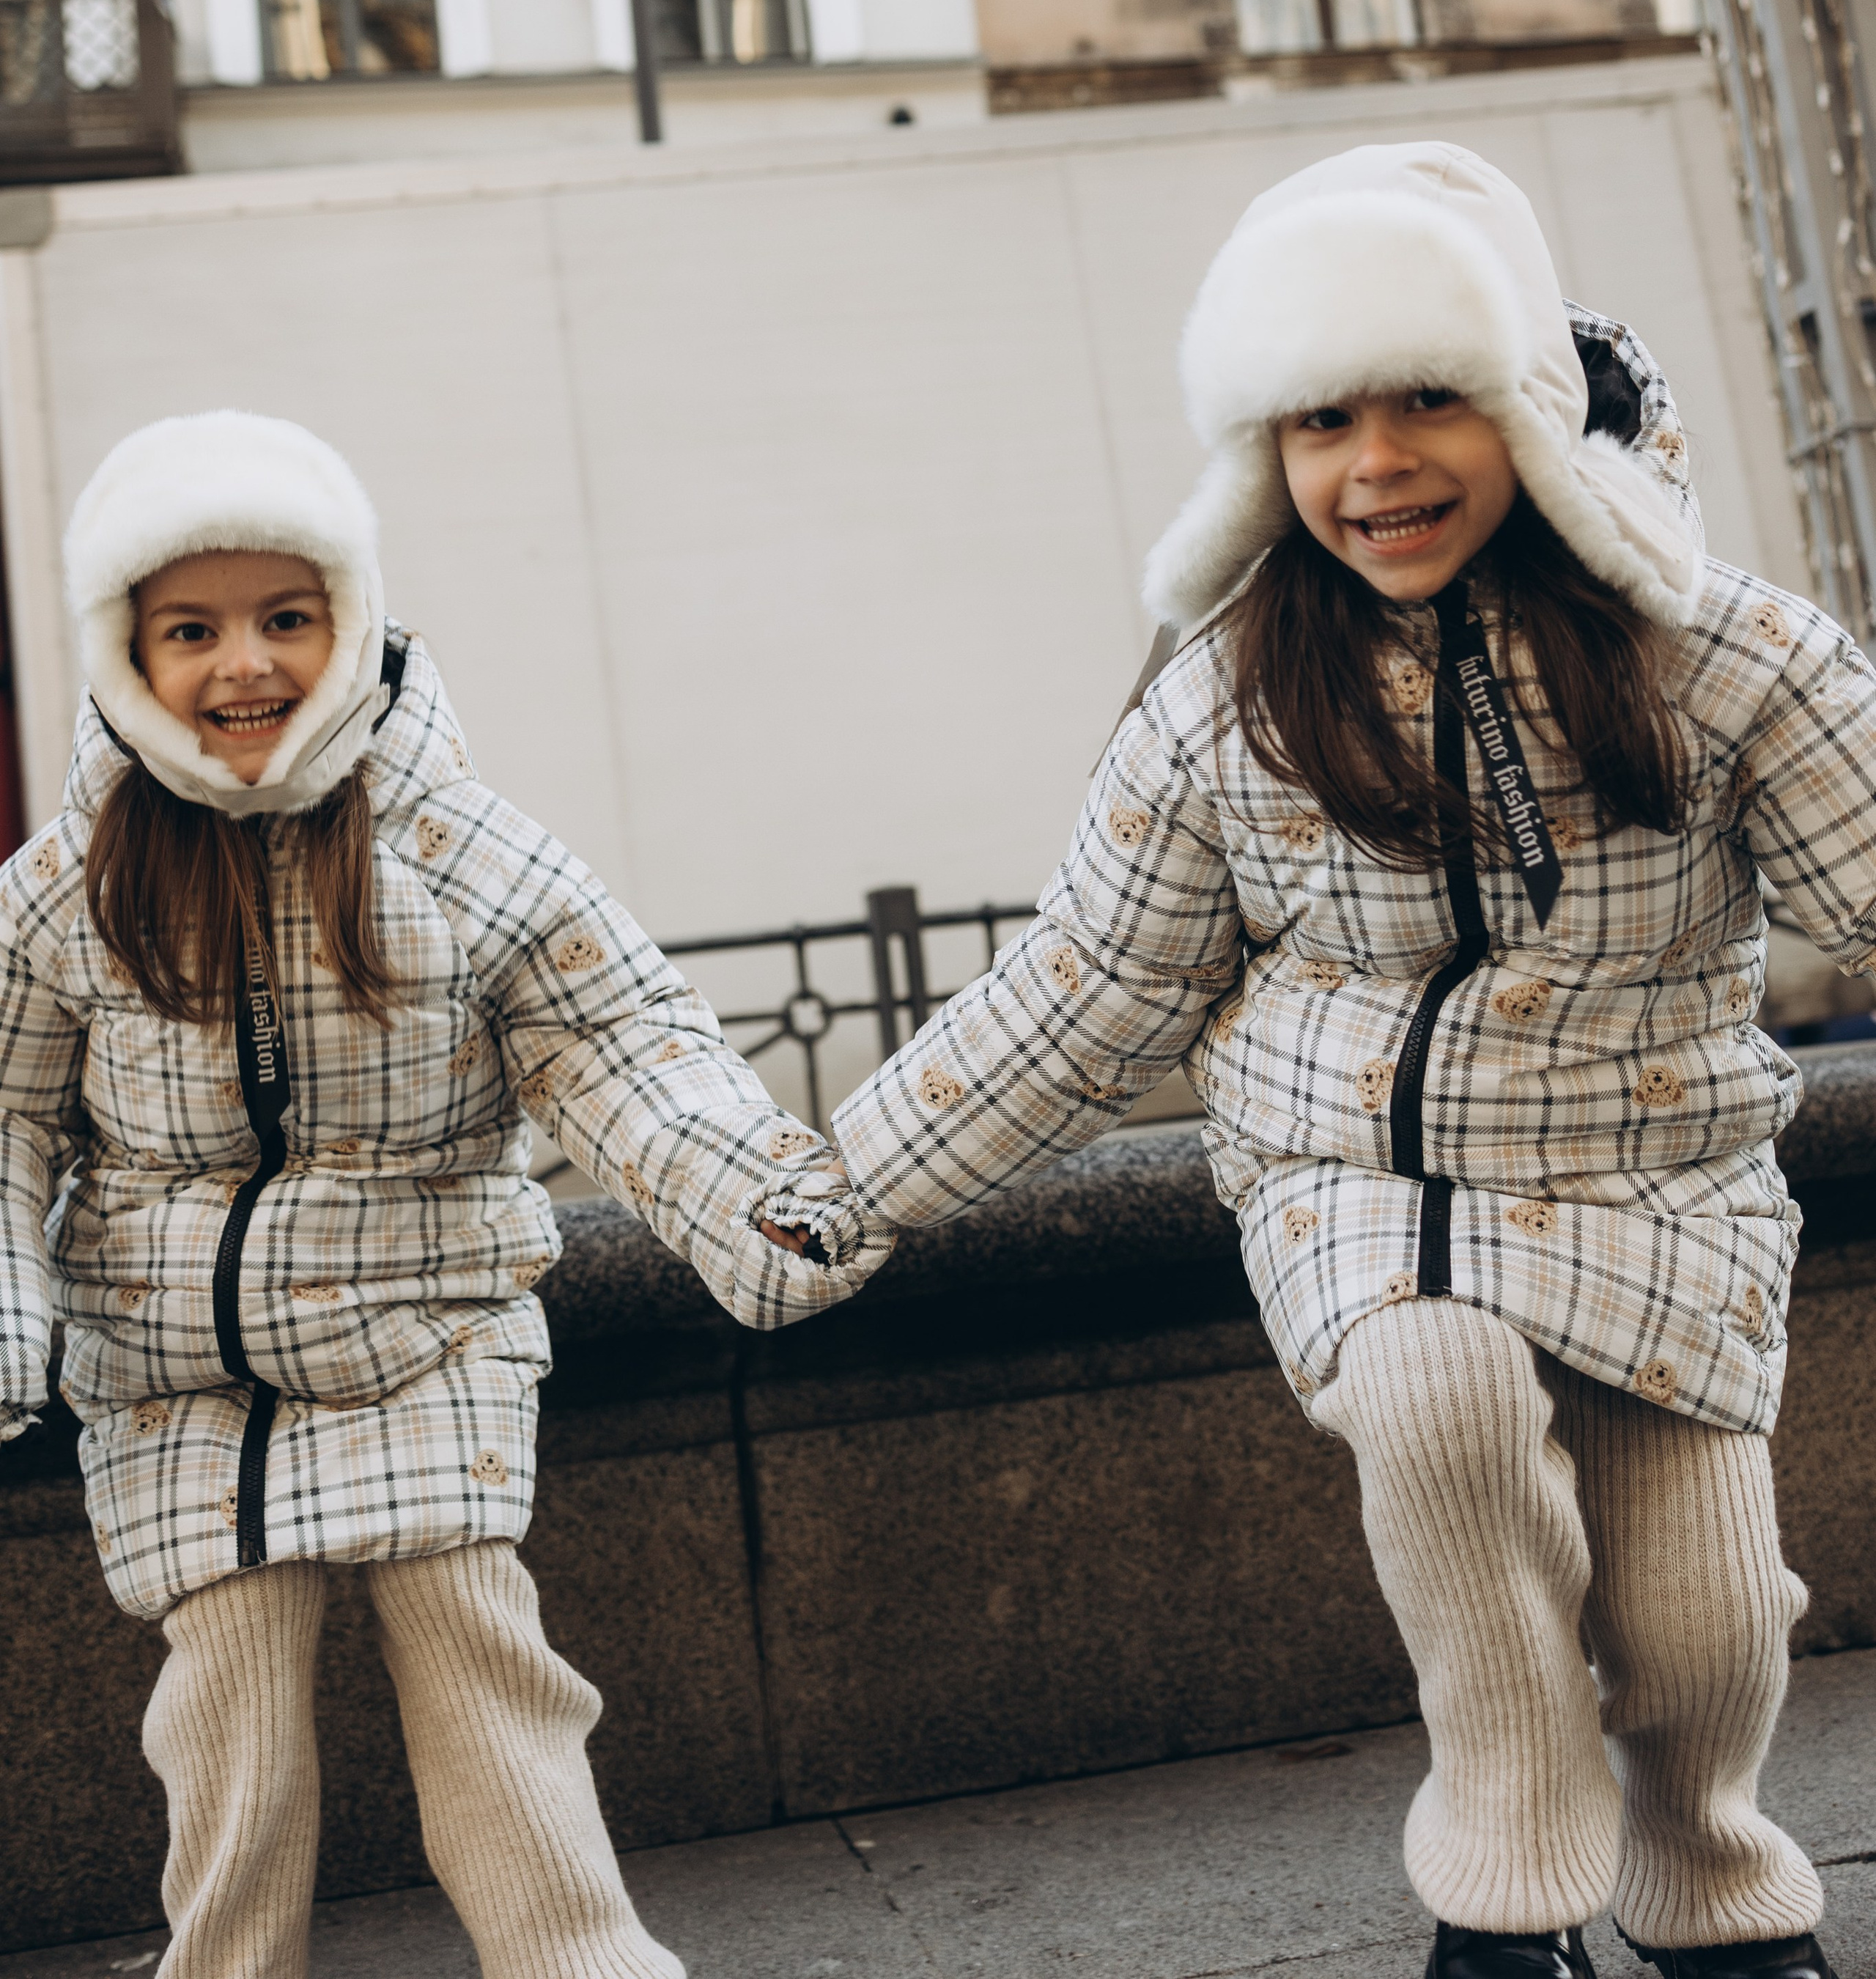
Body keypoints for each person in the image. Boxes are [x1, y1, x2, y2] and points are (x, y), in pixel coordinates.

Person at [830, 140, 1846, 1979]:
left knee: (1700, 1637)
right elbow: (1082, 992)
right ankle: (1502, 1884)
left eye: (1425, 401)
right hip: (1357, 1184)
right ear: (1256, 447)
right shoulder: (1228, 692)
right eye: (1316, 419)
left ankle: (1703, 1871)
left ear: (1528, 401)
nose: (1371, 466)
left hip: (1653, 1176)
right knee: (1437, 1387)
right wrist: (827, 1192)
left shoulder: (1719, 654)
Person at [0, 409, 888, 1979]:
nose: (244, 665)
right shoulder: (71, 882)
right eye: (190, 629)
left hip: (423, 1323)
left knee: (484, 1662)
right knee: (228, 1711)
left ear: (354, 618)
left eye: (288, 616)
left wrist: (759, 1197)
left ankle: (581, 1962)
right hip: (176, 1374)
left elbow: (622, 1046)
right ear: (123, 652)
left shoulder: (453, 845)